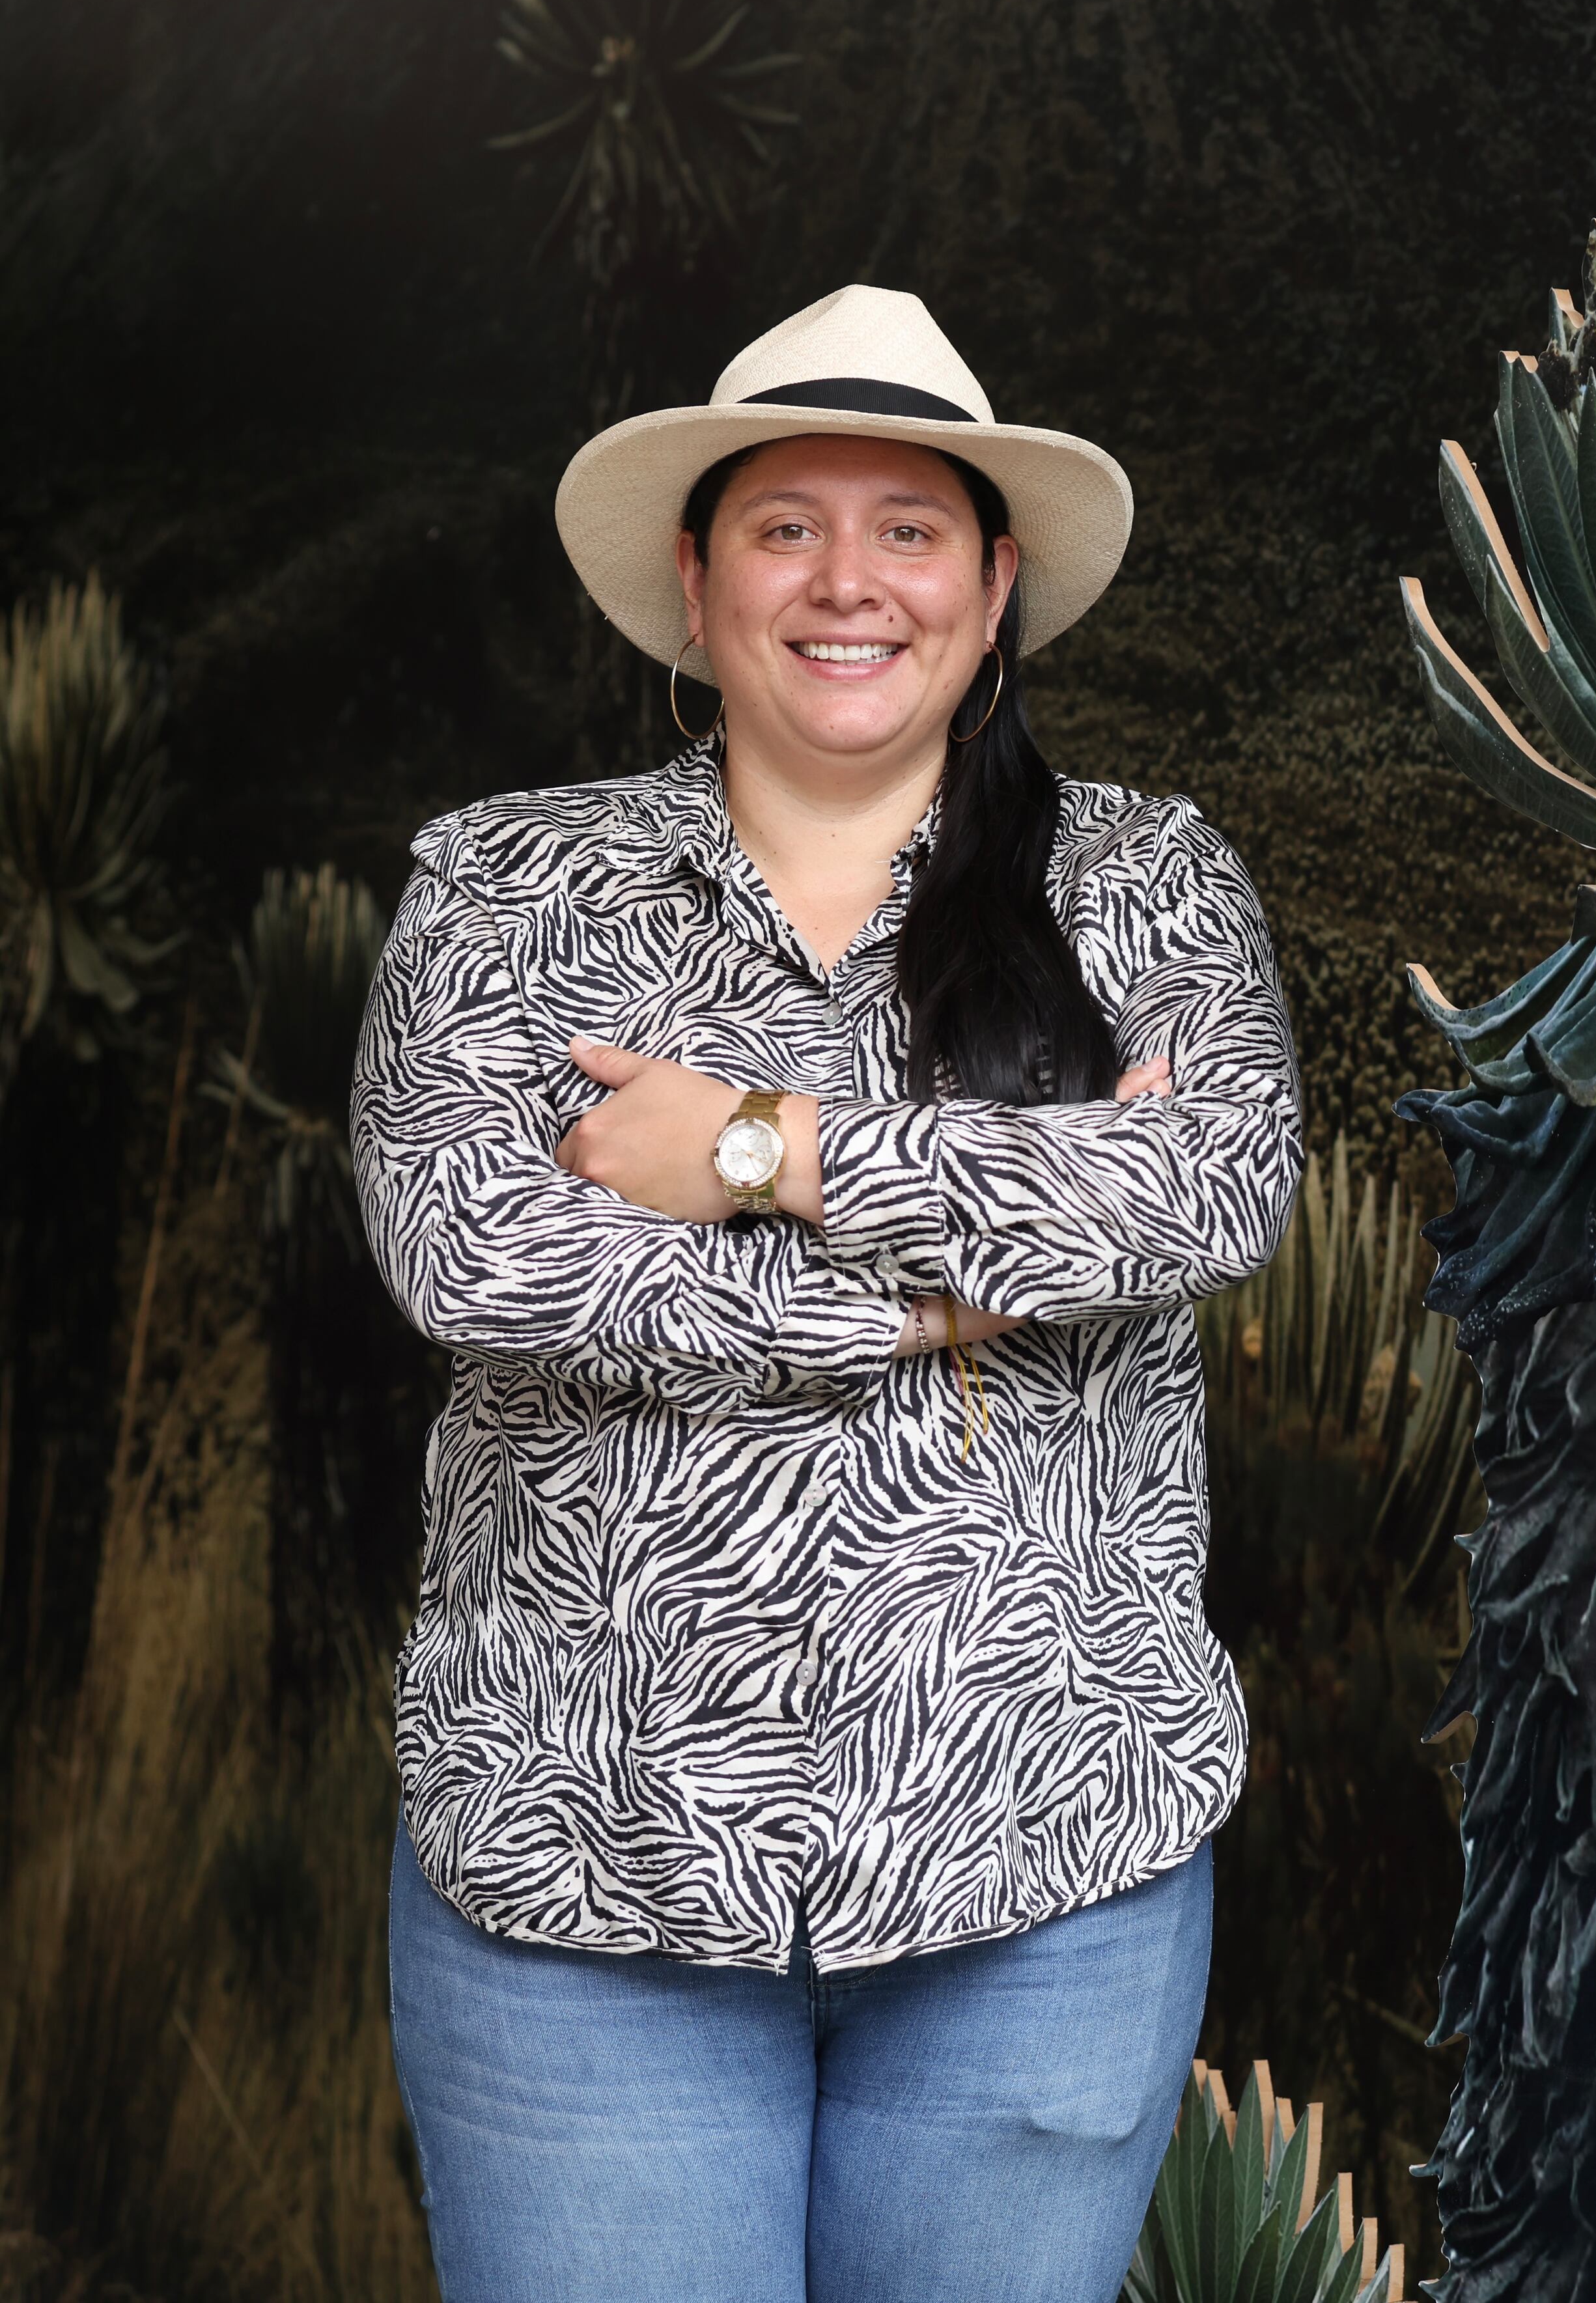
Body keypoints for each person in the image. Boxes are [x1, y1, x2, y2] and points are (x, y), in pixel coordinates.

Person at [349, 284, 1303, 2303]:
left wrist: (759, 1158)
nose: (845, 581)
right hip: (583, 1880)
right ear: (695, 587)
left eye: (908, 529)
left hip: (1045, 1869)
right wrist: (940, 1298)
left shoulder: (1146, 885)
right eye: (784, 526)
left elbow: (1205, 1191)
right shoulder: (508, 886)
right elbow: (471, 1246)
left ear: (993, 585)